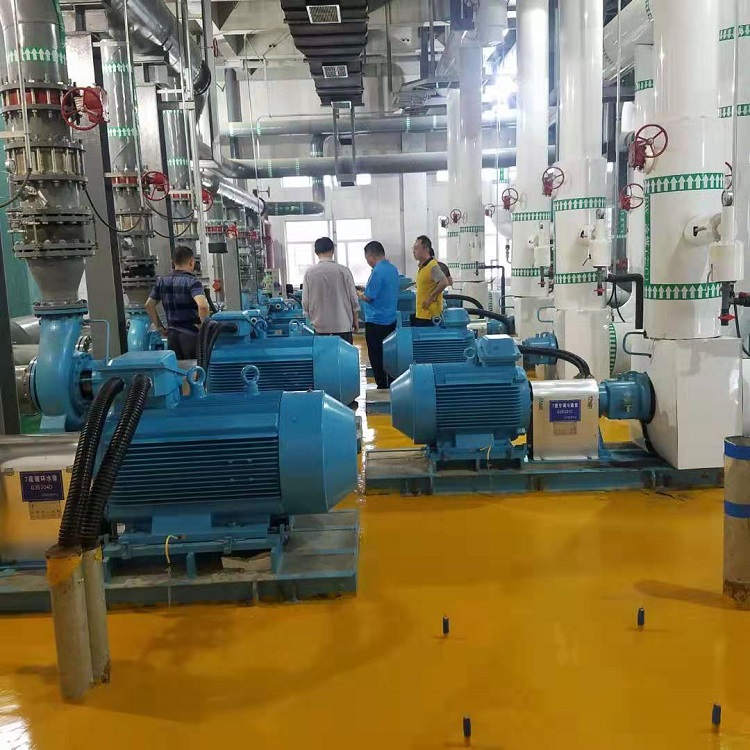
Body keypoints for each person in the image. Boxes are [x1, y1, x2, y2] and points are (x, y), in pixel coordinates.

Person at [145, 245, 210, 359]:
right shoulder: (193, 282)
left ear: (173, 262)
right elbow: (203, 306)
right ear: (191, 262)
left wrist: (160, 327)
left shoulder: (162, 281)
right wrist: (204, 327)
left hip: (172, 336)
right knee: (195, 368)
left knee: (177, 367)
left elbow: (149, 305)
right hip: (191, 336)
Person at [358, 241, 400, 389]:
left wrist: (359, 294)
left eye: (367, 258)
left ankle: (382, 384)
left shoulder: (377, 271)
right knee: (389, 353)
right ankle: (391, 381)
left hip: (376, 321)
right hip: (391, 319)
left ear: (371, 256)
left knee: (376, 355)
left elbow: (369, 297)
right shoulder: (393, 269)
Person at [302, 236, 359, 343]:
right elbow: (354, 299)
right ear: (333, 250)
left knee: (323, 354)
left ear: (316, 252)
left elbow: (305, 302)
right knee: (344, 353)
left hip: (320, 327)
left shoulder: (309, 273)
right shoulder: (344, 271)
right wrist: (355, 320)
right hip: (343, 326)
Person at [412, 235, 449, 326]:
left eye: (416, 248)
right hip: (422, 314)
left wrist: (430, 298)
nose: (413, 251)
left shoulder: (432, 266)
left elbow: (444, 282)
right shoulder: (423, 267)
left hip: (430, 316)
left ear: (426, 249)